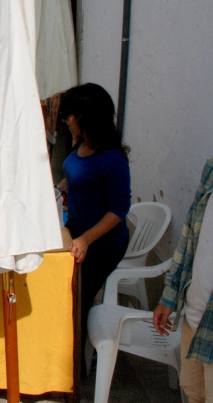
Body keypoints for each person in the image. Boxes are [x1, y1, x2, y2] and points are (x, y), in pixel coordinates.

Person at [56, 83, 131, 367]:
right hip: (77, 228)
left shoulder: (112, 159)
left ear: (84, 117)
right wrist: (57, 190)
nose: (65, 120)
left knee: (77, 299)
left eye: (69, 115)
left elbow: (119, 210)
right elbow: (73, 176)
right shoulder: (82, 144)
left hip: (103, 244)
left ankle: (75, 367)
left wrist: (86, 239)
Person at [153, 159, 213, 403]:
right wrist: (170, 294)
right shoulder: (211, 168)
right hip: (195, 316)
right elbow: (190, 235)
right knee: (191, 390)